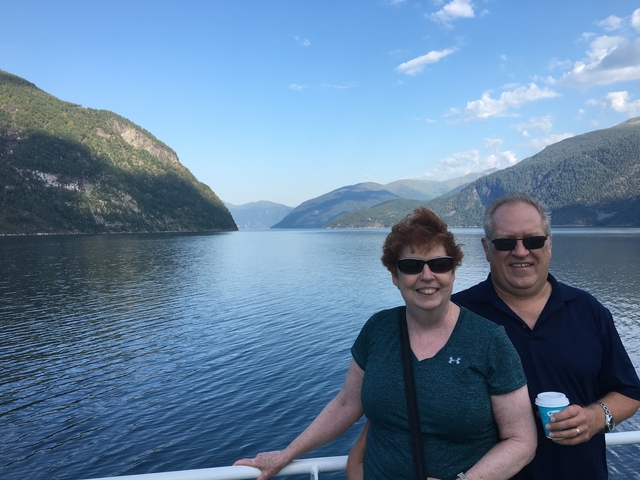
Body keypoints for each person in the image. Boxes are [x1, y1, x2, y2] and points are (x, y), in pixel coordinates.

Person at [348, 193, 640, 479]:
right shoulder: (456, 315)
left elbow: (629, 390)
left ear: (549, 245)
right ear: (486, 248)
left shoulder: (588, 310)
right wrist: (358, 462)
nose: (521, 251)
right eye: (505, 243)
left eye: (534, 241)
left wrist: (595, 417)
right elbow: (394, 401)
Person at [235, 207, 536, 480]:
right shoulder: (378, 329)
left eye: (440, 264)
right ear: (395, 275)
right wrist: (286, 454)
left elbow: (522, 441)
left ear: (453, 271)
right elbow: (346, 403)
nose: (427, 276)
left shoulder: (488, 340)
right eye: (411, 266)